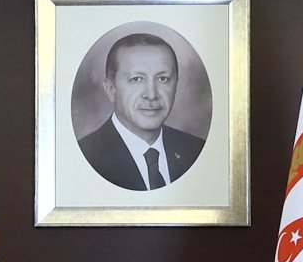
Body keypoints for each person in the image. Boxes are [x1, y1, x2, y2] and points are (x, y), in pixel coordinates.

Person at [77, 33, 206, 191]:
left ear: (176, 85)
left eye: (163, 79)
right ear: (111, 89)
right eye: (136, 79)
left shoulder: (197, 150)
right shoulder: (84, 157)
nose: (151, 95)